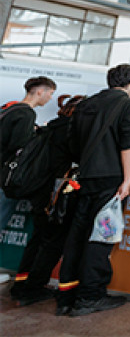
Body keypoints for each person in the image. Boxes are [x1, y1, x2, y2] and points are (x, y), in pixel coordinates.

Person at [56, 64, 130, 317]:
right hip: (111, 180)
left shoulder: (85, 105)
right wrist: (127, 179)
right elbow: (129, 143)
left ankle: (66, 296)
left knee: (78, 234)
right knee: (101, 237)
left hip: (85, 177)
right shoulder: (129, 104)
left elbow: (72, 144)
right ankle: (90, 296)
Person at [10, 95, 83, 306]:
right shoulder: (70, 130)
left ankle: (21, 284)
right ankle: (34, 287)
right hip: (55, 191)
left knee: (38, 238)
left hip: (39, 190)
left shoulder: (49, 127)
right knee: (52, 242)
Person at [0, 76, 56, 302]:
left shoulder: (7, 109)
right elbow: (19, 145)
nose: (50, 97)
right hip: (5, 178)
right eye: (50, 93)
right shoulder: (26, 113)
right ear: (40, 92)